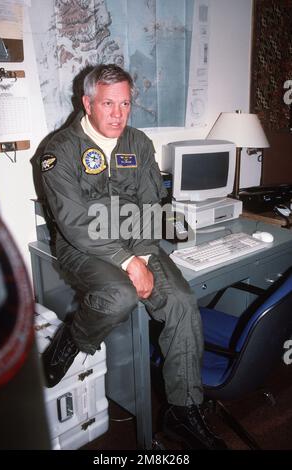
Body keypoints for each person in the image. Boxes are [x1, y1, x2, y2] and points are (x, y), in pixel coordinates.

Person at [40, 64, 226, 450]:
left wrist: (140, 253)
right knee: (119, 296)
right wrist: (128, 263)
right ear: (87, 103)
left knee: (182, 302)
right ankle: (72, 338)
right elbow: (74, 223)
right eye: (108, 103)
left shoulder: (138, 143)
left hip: (135, 239)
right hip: (82, 247)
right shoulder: (58, 151)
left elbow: (150, 202)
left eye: (125, 103)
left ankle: (183, 409)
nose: (118, 114)